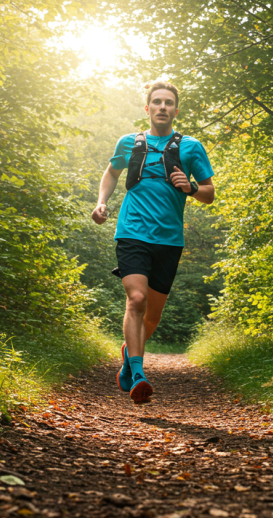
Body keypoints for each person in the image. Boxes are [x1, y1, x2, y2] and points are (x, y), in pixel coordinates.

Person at [91, 81, 215, 404]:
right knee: (136, 299)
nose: (162, 107)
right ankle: (138, 373)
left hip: (169, 240)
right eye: (157, 102)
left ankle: (128, 355)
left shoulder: (191, 147)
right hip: (131, 232)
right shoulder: (129, 143)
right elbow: (111, 173)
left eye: (168, 103)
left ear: (176, 110)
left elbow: (209, 193)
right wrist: (102, 202)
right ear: (147, 109)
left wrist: (190, 187)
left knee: (152, 317)